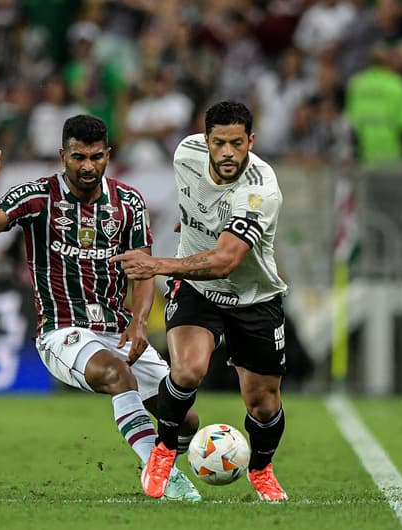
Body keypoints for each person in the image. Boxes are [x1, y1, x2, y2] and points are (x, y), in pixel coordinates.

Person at [0, 114, 202, 501]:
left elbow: (142, 270)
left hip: (118, 328)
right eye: (78, 157)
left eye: (95, 157)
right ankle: (161, 473)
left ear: (108, 154)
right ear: (62, 156)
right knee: (118, 375)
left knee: (186, 421)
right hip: (61, 330)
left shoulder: (129, 202)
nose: (87, 166)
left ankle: (164, 455)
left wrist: (139, 324)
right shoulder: (37, 197)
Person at [111, 101, 289, 502]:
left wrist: (158, 264)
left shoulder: (261, 190)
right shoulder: (184, 153)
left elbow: (226, 261)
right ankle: (163, 451)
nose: (228, 152)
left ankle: (261, 469)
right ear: (205, 140)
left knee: (262, 404)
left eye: (238, 144)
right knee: (188, 370)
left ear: (251, 142)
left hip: (253, 297)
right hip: (197, 289)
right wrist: (191, 220)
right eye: (220, 142)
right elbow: (198, 202)